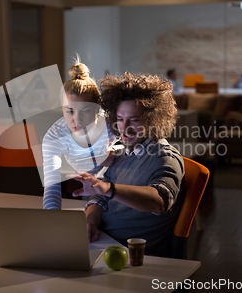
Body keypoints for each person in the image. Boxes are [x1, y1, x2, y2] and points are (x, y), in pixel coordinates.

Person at [72, 72, 184, 257]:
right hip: (102, 244)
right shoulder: (122, 153)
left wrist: (109, 188)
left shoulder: (165, 157)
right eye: (120, 119)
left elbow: (159, 201)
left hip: (134, 257)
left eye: (134, 119)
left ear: (153, 120)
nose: (124, 128)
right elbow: (100, 198)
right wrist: (90, 221)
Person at [42, 61, 115, 210]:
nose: (76, 119)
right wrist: (51, 220)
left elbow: (140, 159)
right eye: (69, 111)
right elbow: (52, 186)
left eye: (86, 110)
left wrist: (118, 158)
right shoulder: (55, 136)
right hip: (90, 198)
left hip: (120, 194)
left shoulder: (113, 124)